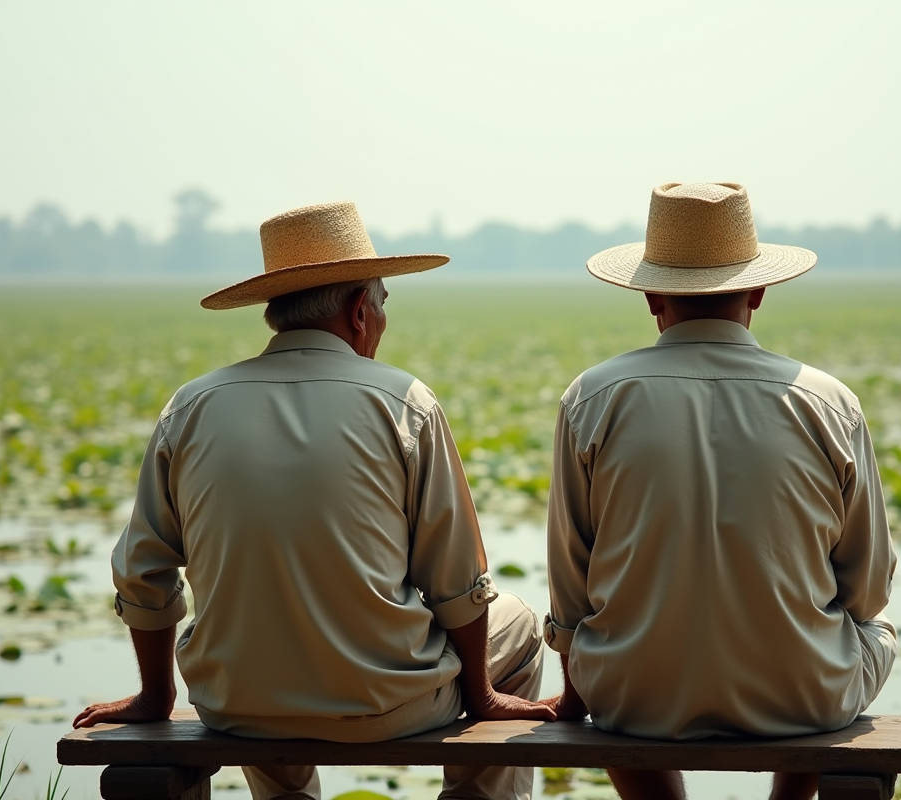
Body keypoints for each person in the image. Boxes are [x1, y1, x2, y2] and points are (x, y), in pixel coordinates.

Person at [73, 202, 556, 800]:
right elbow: (457, 580)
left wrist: (155, 697)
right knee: (521, 623)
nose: (381, 321)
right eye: (382, 305)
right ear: (360, 311)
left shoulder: (191, 407)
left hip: (235, 706)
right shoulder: (404, 403)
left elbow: (142, 572)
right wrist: (480, 694)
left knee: (260, 634)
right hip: (387, 706)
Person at [542, 183, 897, 800]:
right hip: (804, 697)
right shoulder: (827, 401)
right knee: (875, 628)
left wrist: (584, 688)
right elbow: (867, 587)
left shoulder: (591, 399)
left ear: (650, 295)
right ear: (759, 290)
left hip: (633, 700)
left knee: (601, 646)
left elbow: (571, 596)